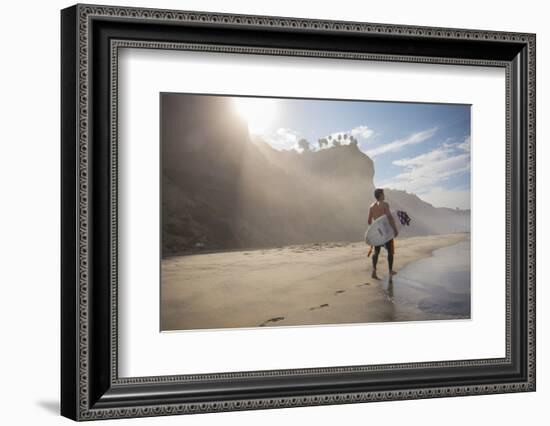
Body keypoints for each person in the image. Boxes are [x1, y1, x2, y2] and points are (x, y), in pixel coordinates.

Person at [367, 188, 398, 280]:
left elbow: (369, 221)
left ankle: (374, 271)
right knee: (390, 252)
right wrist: (395, 229)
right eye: (383, 194)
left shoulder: (371, 206)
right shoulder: (385, 204)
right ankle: (390, 271)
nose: (384, 195)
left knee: (376, 252)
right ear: (380, 195)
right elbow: (389, 217)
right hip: (386, 233)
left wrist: (375, 228)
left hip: (377, 233)